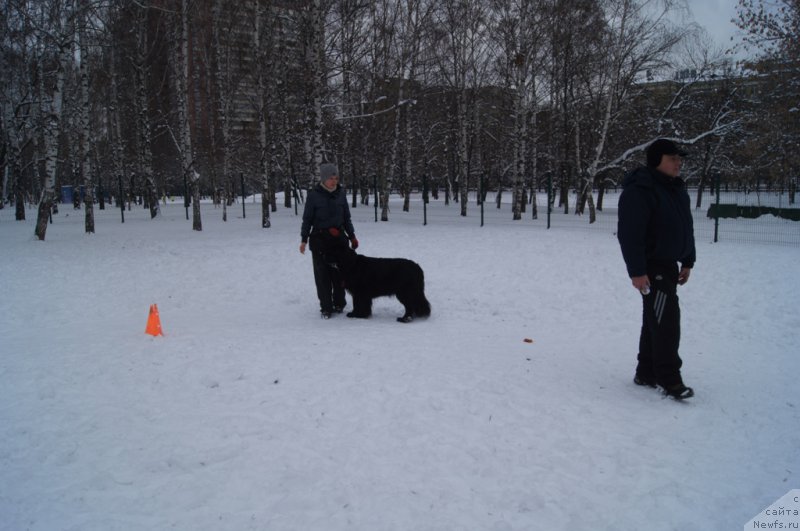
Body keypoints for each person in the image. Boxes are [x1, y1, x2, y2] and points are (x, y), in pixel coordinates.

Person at [617, 139, 696, 400]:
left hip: (670, 265)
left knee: (656, 318)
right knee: (667, 322)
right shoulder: (641, 189)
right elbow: (630, 234)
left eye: (679, 159)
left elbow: (685, 226)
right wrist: (637, 271)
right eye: (673, 158)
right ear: (657, 160)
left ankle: (647, 371)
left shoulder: (674, 189)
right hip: (652, 267)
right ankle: (669, 379)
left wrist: (687, 260)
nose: (678, 163)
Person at [299, 163, 359, 319]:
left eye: (336, 178)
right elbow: (307, 219)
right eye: (331, 178)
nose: (334, 181)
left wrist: (352, 236)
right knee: (322, 276)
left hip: (339, 240)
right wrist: (304, 239)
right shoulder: (314, 195)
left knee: (340, 274)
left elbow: (346, 217)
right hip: (320, 240)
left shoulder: (341, 193)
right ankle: (326, 307)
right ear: (324, 179)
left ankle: (339, 304)